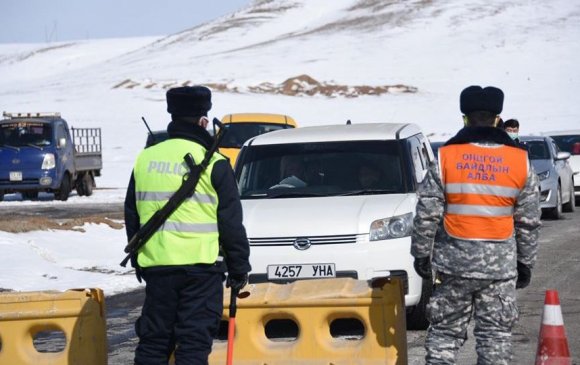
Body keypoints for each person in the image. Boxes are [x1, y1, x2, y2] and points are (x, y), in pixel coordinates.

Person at [411, 85, 541, 364]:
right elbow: (529, 221)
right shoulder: (520, 161)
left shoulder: (446, 157)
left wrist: (421, 253)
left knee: (445, 334)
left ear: (465, 119)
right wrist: (525, 263)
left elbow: (427, 211)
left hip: (453, 266)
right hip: (499, 268)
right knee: (495, 336)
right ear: (497, 118)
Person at [124, 86, 251, 365]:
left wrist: (139, 258)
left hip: (157, 268)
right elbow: (230, 223)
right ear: (203, 120)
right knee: (193, 344)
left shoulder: (145, 160)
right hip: (201, 271)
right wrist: (239, 268)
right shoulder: (215, 163)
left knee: (154, 342)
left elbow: (132, 214)